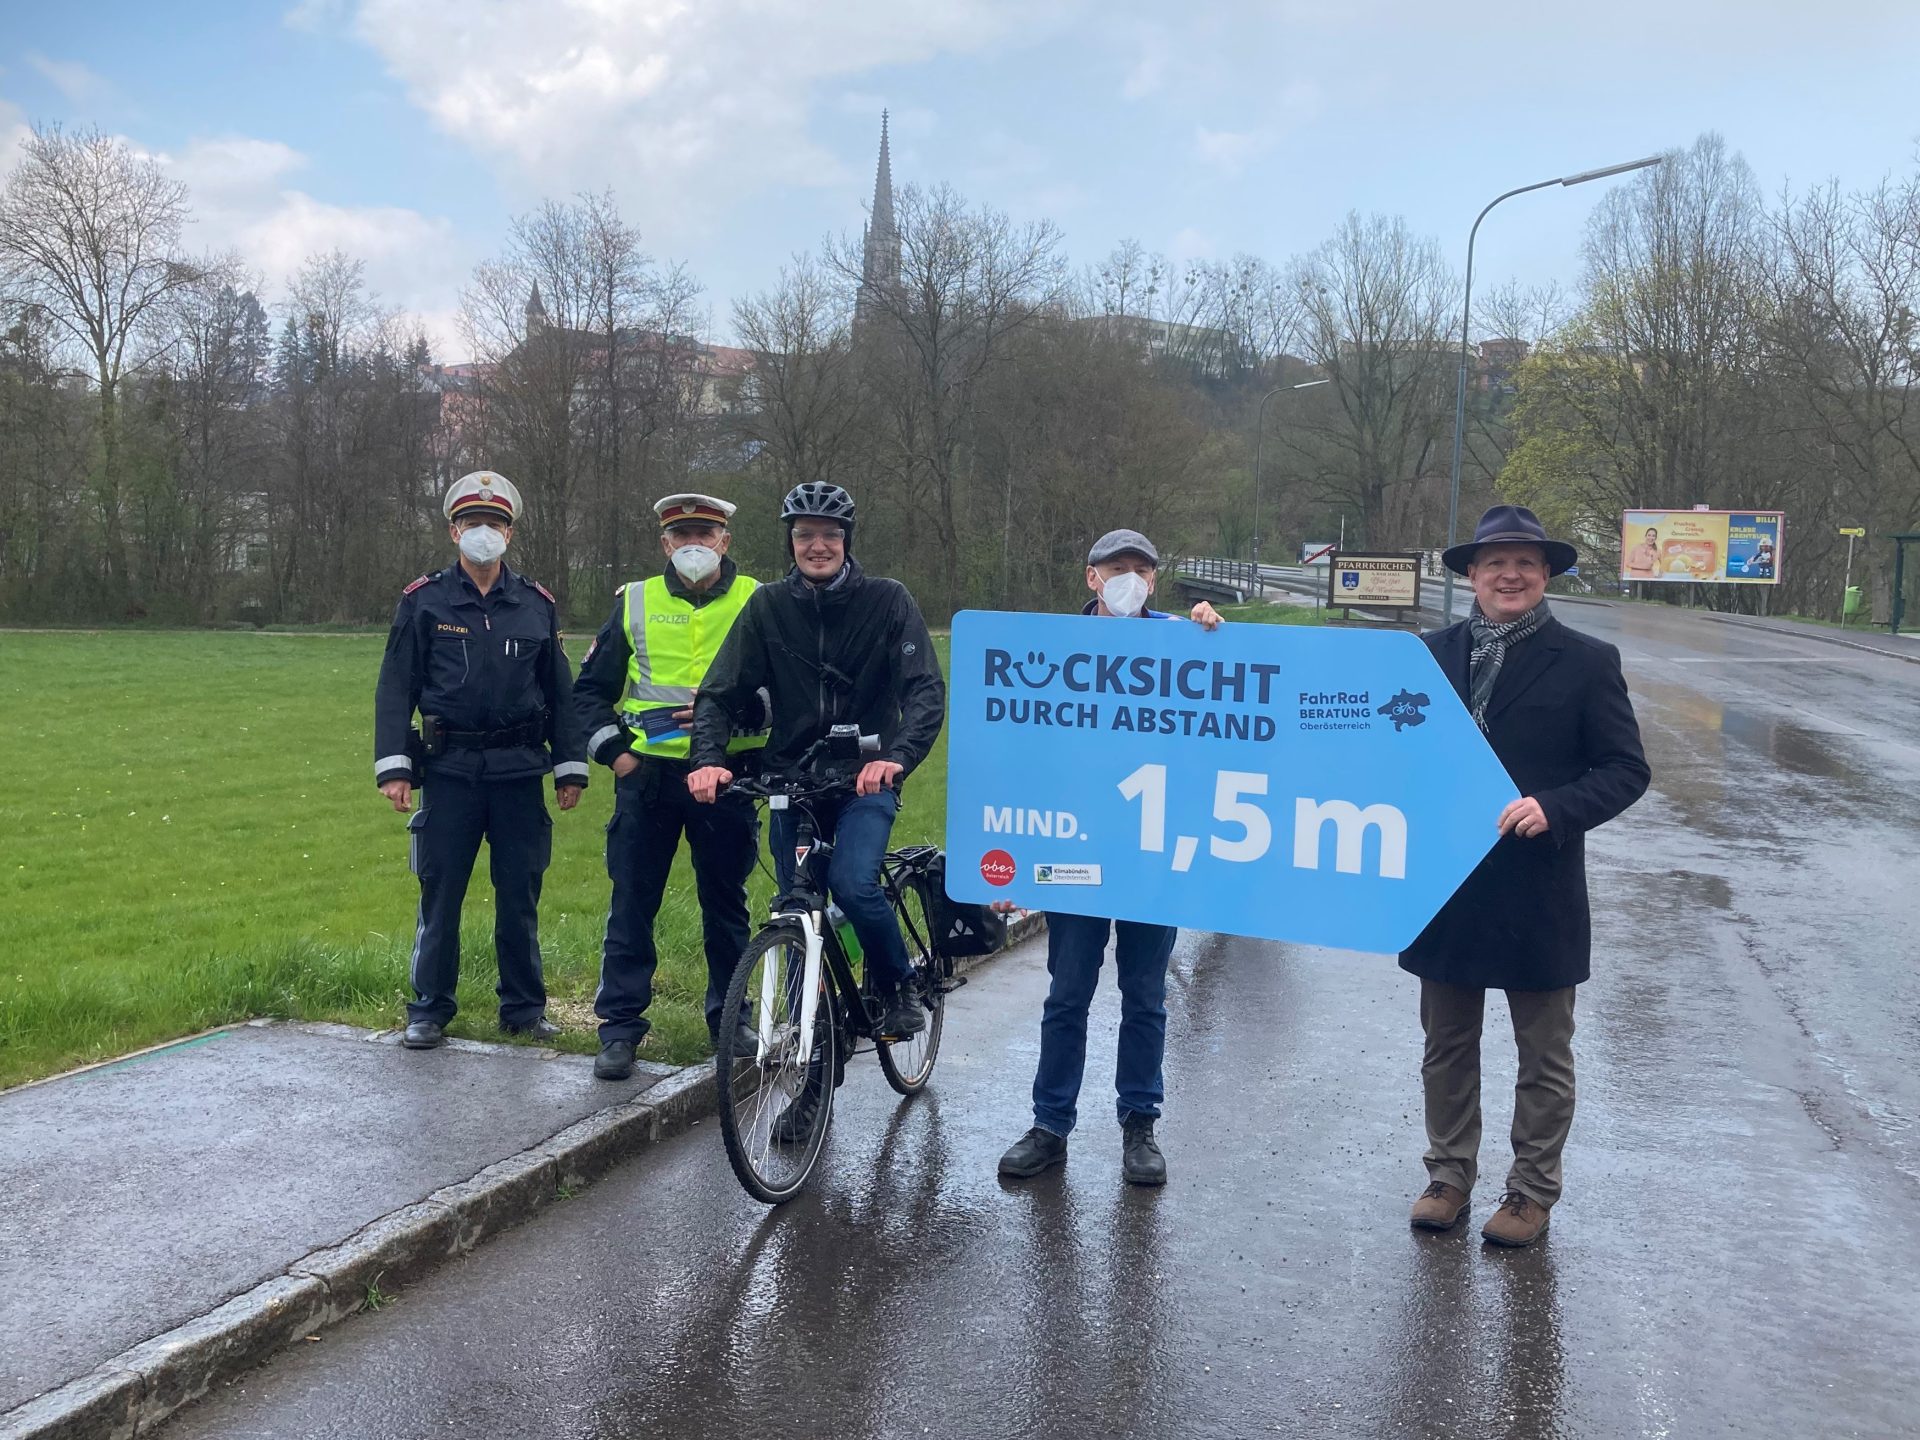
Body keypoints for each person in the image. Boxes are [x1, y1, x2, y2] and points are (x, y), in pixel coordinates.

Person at [1403, 504, 1650, 1246]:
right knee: (1447, 1044)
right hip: (1445, 888)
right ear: (1472, 575)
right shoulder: (1427, 656)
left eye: (1526, 564)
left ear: (1547, 576)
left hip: (1537, 887)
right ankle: (1448, 1175)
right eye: (1495, 563)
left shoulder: (1586, 661)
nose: (1510, 575)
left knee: (1543, 1051)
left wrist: (1558, 806)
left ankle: (1530, 1192)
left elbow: (1626, 770)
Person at [686, 482, 946, 1059]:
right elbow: (718, 694)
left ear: (847, 542)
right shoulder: (769, 607)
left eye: (830, 535)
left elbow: (925, 689)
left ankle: (900, 982)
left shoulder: (887, 600)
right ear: (792, 542)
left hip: (863, 779)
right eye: (805, 536)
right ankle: (812, 1081)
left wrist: (896, 758)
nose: (818, 546)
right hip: (793, 781)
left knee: (854, 885)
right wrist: (708, 761)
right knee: (799, 911)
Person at [996, 529, 1222, 1188]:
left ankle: (1139, 1124)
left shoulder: (1182, 640)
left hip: (1151, 854)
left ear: (1155, 581)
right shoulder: (1050, 650)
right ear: (1090, 578)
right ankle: (1050, 1125)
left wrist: (1215, 631)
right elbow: (1019, 758)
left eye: (1141, 570)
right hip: (1076, 852)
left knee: (1144, 997)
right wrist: (1009, 860)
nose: (1130, 579)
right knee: (1067, 994)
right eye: (1116, 568)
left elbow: (1227, 700)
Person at [373, 471, 589, 1049]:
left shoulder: (535, 605)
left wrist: (570, 767)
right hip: (450, 771)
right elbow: (396, 687)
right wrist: (395, 768)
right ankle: (429, 1009)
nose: (484, 533)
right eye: (473, 523)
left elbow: (560, 692)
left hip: (520, 770)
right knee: (440, 894)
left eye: (494, 523)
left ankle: (523, 1009)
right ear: (454, 530)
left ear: (510, 533)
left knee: (520, 895)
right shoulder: (424, 602)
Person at [572, 493, 768, 1080]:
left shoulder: (759, 600)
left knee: (726, 905)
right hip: (649, 778)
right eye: (681, 534)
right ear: (663, 543)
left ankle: (732, 1021)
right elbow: (588, 692)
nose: (693, 544)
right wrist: (616, 756)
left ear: (725, 541)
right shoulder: (634, 600)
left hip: (727, 778)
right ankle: (620, 1029)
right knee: (632, 903)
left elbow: (783, 689)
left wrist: (744, 716)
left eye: (705, 533)